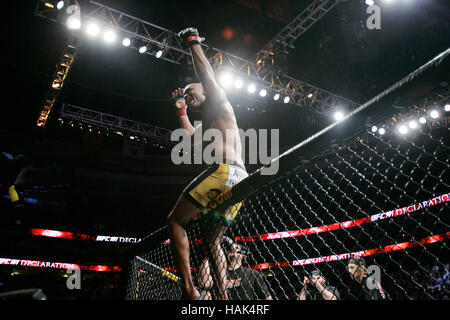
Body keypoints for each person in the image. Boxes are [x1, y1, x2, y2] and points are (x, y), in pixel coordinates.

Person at [167, 27, 248, 300]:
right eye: (185, 94)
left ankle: (189, 289)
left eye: (192, 93)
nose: (187, 95)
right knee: (212, 240)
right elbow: (192, 142)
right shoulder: (210, 123)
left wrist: (193, 43)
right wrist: (181, 110)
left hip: (223, 172)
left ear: (206, 92)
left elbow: (206, 74)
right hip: (240, 178)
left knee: (176, 221)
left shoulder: (219, 101)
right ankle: (224, 299)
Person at [198, 236, 272, 300]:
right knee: (205, 294)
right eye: (232, 247)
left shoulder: (252, 273)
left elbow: (268, 298)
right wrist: (209, 253)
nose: (234, 248)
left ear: (243, 255)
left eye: (237, 247)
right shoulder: (218, 273)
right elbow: (204, 283)